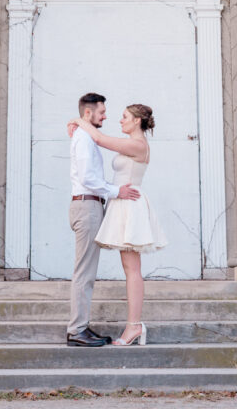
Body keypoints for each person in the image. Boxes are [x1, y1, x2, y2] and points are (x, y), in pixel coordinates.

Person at [68, 102, 166, 347]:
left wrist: (80, 121)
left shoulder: (137, 144)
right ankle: (133, 325)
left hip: (130, 204)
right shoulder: (134, 143)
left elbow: (100, 139)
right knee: (129, 266)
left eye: (124, 117)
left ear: (137, 121)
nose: (120, 120)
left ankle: (134, 326)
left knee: (132, 268)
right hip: (123, 202)